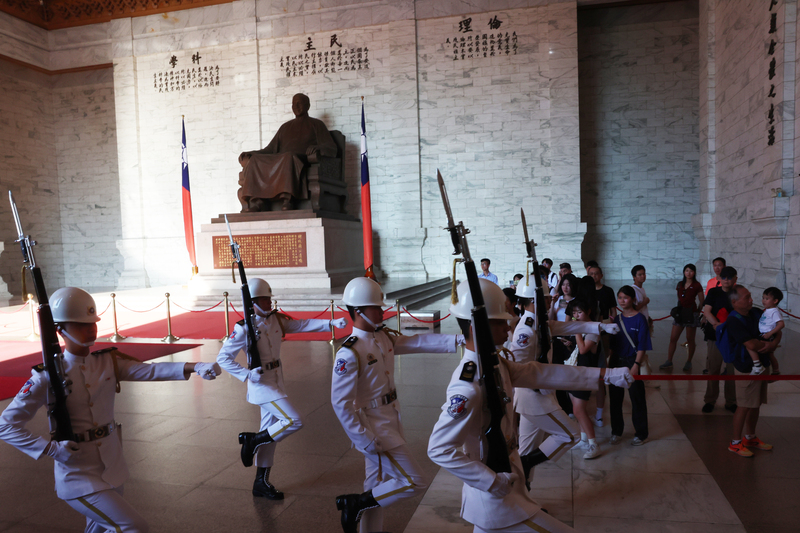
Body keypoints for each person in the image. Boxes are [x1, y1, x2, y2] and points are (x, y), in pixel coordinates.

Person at [0, 287, 221, 533]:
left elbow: (150, 371)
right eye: (81, 324)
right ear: (60, 330)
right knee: (133, 526)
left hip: (111, 465)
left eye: (92, 322)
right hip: (77, 474)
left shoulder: (106, 361)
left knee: (100, 529)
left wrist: (195, 365)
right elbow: (5, 425)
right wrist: (50, 449)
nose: (91, 329)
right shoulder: (45, 377)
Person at [427, 279, 634, 533]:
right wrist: (491, 482)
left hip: (507, 489)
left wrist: (603, 374)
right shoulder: (468, 386)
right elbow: (438, 449)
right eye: (500, 321)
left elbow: (543, 373)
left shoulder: (495, 363)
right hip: (496, 499)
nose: (508, 325)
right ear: (477, 327)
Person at [331, 277, 462, 533]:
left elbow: (417, 342)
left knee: (376, 480)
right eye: (375, 307)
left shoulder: (381, 338)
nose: (382, 311)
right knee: (415, 480)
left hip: (390, 417)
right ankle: (357, 504)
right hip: (373, 428)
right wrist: (363, 438)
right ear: (358, 311)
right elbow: (340, 403)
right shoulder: (350, 352)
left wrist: (457, 340)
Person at [218, 278, 347, 499]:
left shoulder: (275, 320)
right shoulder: (243, 328)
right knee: (293, 420)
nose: (270, 302)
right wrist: (247, 374)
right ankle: (253, 440)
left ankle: (261, 482)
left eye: (269, 298)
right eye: (265, 299)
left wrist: (330, 324)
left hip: (276, 379)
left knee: (270, 432)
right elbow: (223, 358)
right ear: (253, 302)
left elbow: (301, 325)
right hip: (261, 384)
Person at [509, 278, 620, 486]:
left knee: (527, 447)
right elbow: (515, 368)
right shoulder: (526, 329)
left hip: (536, 395)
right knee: (570, 435)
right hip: (534, 396)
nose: (551, 298)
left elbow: (564, 327)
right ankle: (526, 464)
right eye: (545, 296)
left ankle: (522, 494)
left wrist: (599, 327)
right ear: (535, 299)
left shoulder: (538, 321)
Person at [238, 93, 338, 211]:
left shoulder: (316, 124)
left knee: (288, 156)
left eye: (299, 103)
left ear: (308, 106)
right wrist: (252, 153)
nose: (296, 106)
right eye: (293, 104)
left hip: (299, 159)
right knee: (255, 159)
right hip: (282, 159)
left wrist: (318, 147)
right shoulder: (285, 127)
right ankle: (258, 201)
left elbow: (332, 148)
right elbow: (270, 149)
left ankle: (287, 200)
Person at [726, 285, 779, 457]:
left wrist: (774, 343)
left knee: (755, 404)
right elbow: (750, 344)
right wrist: (769, 345)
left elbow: (777, 328)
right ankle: (735, 442)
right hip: (747, 369)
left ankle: (750, 437)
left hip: (762, 364)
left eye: (750, 296)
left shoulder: (756, 312)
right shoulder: (733, 320)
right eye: (747, 297)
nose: (751, 300)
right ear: (734, 302)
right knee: (744, 405)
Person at [608, 285, 652, 446]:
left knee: (637, 398)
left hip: (632, 361)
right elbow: (613, 344)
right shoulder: (617, 319)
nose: (622, 301)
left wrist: (636, 364)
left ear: (633, 299)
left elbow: (642, 345)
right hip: (616, 361)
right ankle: (616, 431)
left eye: (625, 298)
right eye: (620, 298)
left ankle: (641, 433)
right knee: (615, 399)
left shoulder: (640, 319)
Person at [566, 299, 603, 459]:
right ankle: (583, 439)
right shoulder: (582, 328)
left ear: (588, 311)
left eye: (579, 312)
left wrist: (576, 331)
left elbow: (583, 350)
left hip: (586, 375)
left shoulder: (593, 329)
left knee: (579, 410)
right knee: (577, 407)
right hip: (576, 373)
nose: (576, 315)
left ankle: (594, 444)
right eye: (574, 313)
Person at [701, 266, 738, 413]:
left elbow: (741, 311)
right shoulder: (714, 292)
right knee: (713, 368)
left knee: (731, 371)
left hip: (733, 336)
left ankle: (731, 401)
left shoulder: (738, 292)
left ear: (735, 278)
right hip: (715, 335)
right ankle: (710, 400)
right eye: (724, 277)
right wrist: (716, 325)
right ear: (720, 278)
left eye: (730, 277)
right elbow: (707, 310)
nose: (726, 280)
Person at [660, 264, 704, 372]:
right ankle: (669, 360)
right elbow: (679, 298)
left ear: (694, 272)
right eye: (687, 271)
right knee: (673, 338)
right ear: (684, 272)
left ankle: (689, 361)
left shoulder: (697, 285)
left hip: (691, 313)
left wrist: (698, 311)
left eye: (691, 271)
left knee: (690, 339)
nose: (689, 273)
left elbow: (702, 300)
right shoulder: (680, 284)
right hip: (681, 313)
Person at [588, 265, 615, 427]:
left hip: (604, 329)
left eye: (596, 274)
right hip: (591, 331)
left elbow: (612, 310)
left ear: (601, 275)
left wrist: (611, 324)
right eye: (591, 274)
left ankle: (601, 381)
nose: (594, 276)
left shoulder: (607, 291)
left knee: (603, 357)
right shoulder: (587, 292)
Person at [759, 287, 785, 376]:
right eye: (763, 298)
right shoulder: (768, 310)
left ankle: (776, 372)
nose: (763, 300)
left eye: (767, 299)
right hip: (764, 334)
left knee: (769, 354)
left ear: (775, 301)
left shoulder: (774, 312)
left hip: (768, 335)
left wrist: (770, 333)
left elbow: (781, 324)